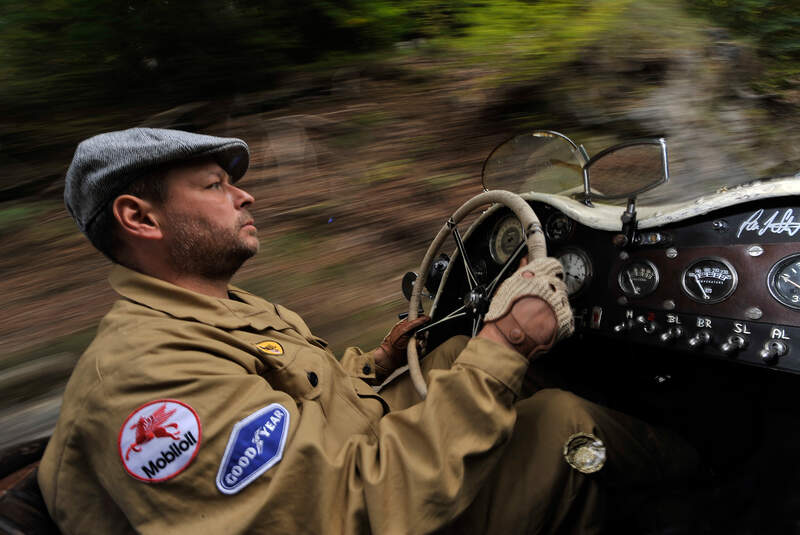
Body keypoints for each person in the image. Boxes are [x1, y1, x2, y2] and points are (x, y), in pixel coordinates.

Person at [38, 128, 697, 534]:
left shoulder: (210, 306)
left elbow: (299, 399)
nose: (246, 196)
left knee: (449, 350)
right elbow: (341, 512)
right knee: (559, 418)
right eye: (213, 185)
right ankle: (713, 484)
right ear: (139, 217)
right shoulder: (147, 379)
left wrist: (377, 362)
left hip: (355, 471)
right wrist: (506, 345)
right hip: (366, 508)